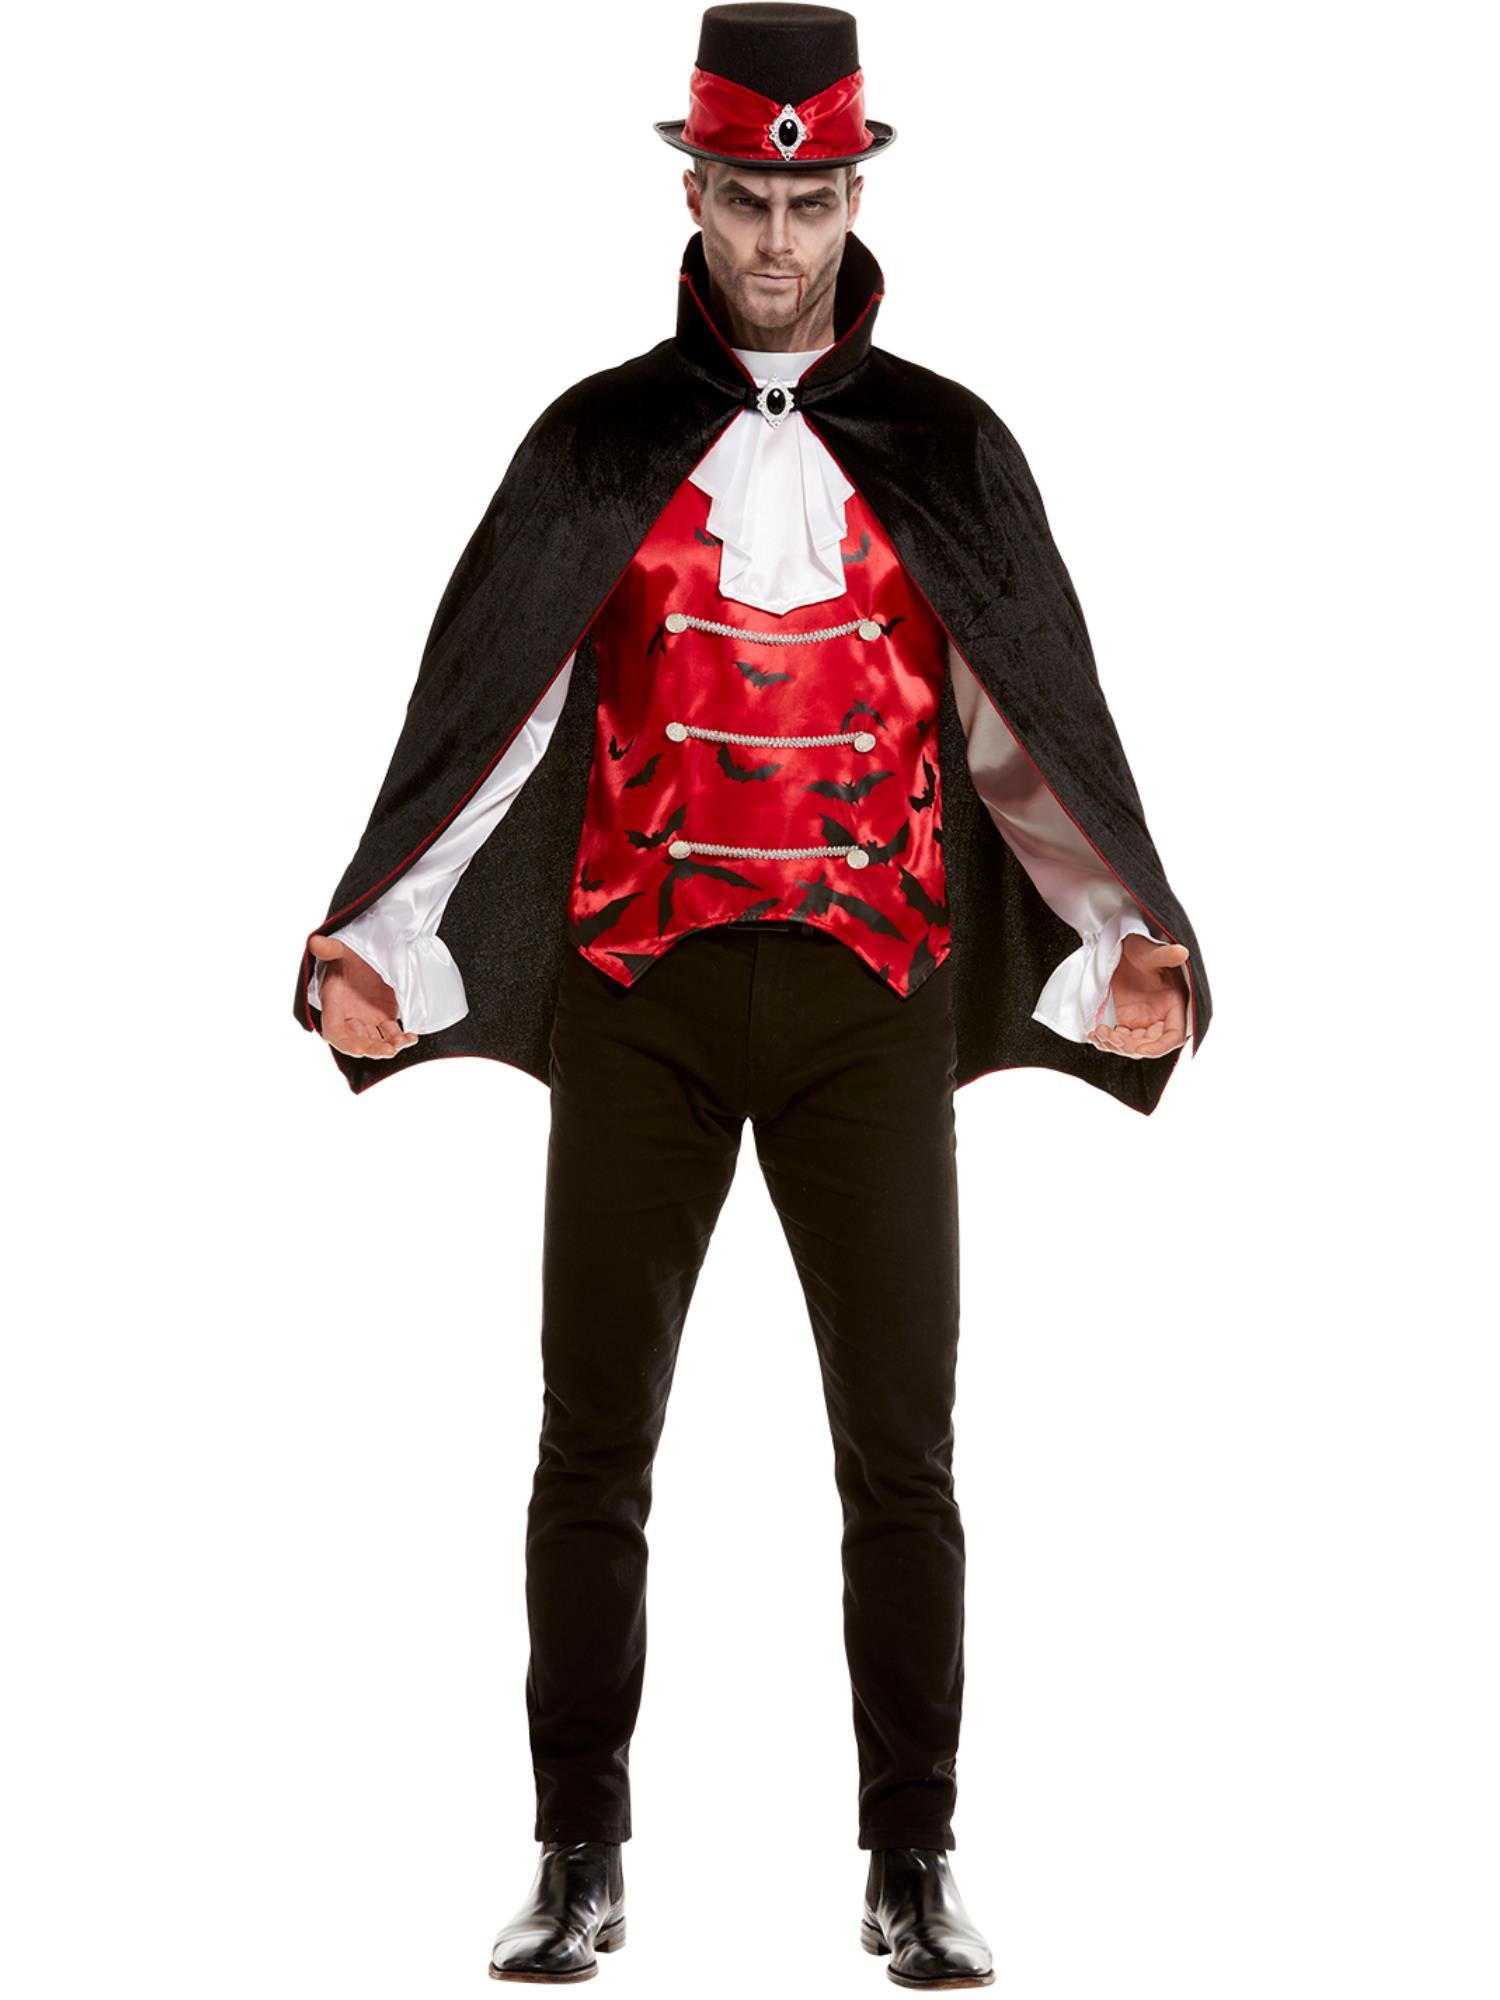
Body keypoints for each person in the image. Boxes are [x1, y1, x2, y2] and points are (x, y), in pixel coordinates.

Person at [296, 5, 1208, 1985]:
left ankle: (911, 1861)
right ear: (694, 193)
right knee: (590, 1441)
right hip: (641, 990)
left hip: (876, 998)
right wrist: (382, 934)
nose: (778, 239)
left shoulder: (949, 447)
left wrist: (1118, 934)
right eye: (743, 198)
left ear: (853, 194)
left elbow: (1014, 735)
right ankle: (578, 1856)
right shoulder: (593, 442)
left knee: (904, 1452)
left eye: (809, 201)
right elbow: (503, 719)